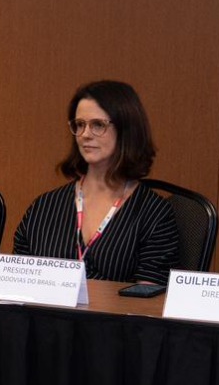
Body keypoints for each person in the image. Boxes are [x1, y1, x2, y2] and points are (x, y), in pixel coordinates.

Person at [11, 80, 179, 283]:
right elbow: (18, 285)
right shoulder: (44, 208)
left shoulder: (154, 214)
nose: (85, 135)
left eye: (98, 125)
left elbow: (146, 295)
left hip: (115, 306)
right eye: (80, 125)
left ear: (126, 130)